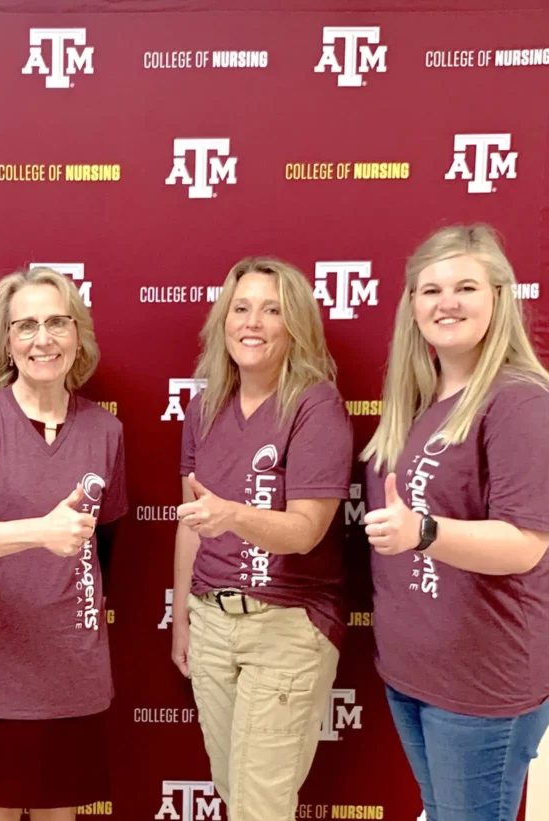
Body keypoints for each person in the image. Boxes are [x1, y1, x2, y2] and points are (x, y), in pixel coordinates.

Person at [361, 225, 549, 821]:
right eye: (430, 289)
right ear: (411, 306)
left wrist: (425, 533)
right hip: (413, 671)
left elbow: (526, 545)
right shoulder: (419, 400)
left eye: (465, 286)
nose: (446, 302)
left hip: (481, 683)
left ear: (499, 296)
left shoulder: (519, 401)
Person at [0, 266, 127, 821]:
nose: (43, 339)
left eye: (57, 322)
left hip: (72, 666)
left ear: (78, 333)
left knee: (59, 814)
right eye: (26, 326)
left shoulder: (104, 431)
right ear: (7, 341)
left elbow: (105, 541)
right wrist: (39, 532)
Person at [171, 257, 353, 821]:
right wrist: (181, 617)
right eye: (241, 307)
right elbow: (191, 520)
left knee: (260, 805)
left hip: (287, 624)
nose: (253, 322)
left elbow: (305, 532)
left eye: (272, 310)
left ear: (294, 325)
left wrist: (235, 515)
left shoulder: (315, 405)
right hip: (212, 622)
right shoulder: (203, 407)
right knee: (234, 791)